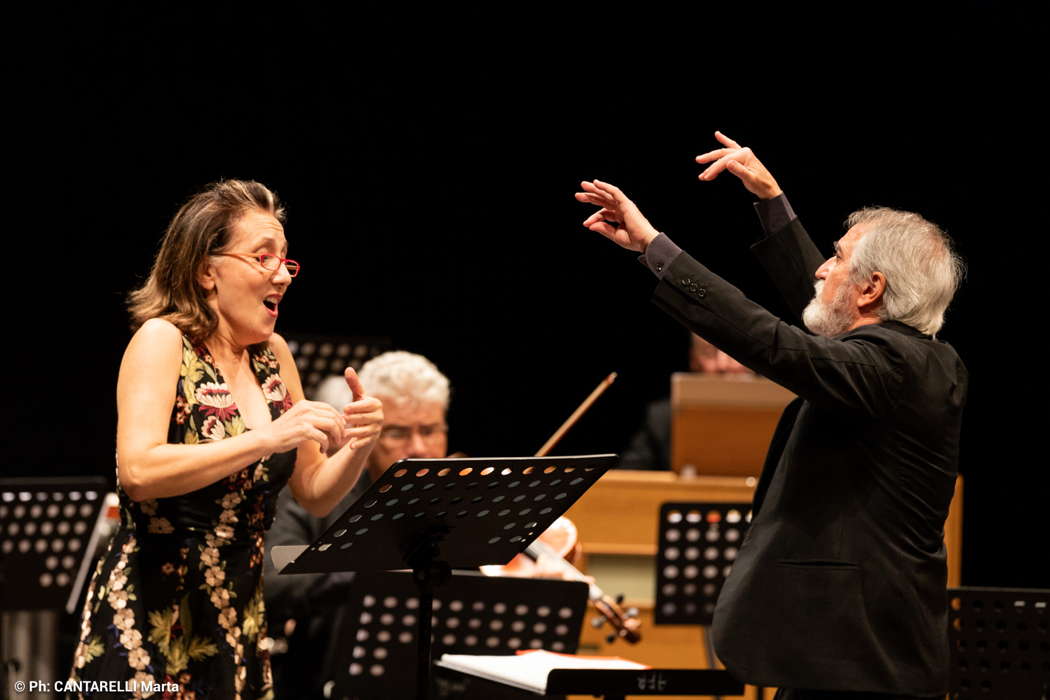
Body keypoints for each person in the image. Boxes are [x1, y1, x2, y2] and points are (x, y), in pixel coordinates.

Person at [575, 132, 965, 699]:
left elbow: (777, 342)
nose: (821, 268)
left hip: (860, 659)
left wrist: (655, 247)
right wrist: (771, 201)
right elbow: (827, 314)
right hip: (837, 653)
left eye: (837, 257)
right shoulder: (916, 359)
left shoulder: (893, 368)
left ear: (874, 286)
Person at [68, 180, 384, 700]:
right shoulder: (162, 340)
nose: (281, 274)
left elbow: (312, 491)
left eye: (285, 260)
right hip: (153, 614)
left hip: (240, 617)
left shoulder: (272, 354)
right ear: (205, 269)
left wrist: (358, 445)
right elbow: (140, 473)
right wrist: (266, 438)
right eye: (263, 258)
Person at [264, 350, 450, 698]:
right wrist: (373, 564)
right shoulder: (316, 490)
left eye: (429, 430)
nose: (419, 448)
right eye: (398, 433)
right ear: (367, 431)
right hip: (322, 679)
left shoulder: (456, 502)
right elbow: (276, 577)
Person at [620, 332, 750, 469]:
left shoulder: (775, 418)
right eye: (709, 353)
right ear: (694, 360)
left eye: (734, 352)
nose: (723, 365)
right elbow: (626, 479)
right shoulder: (662, 417)